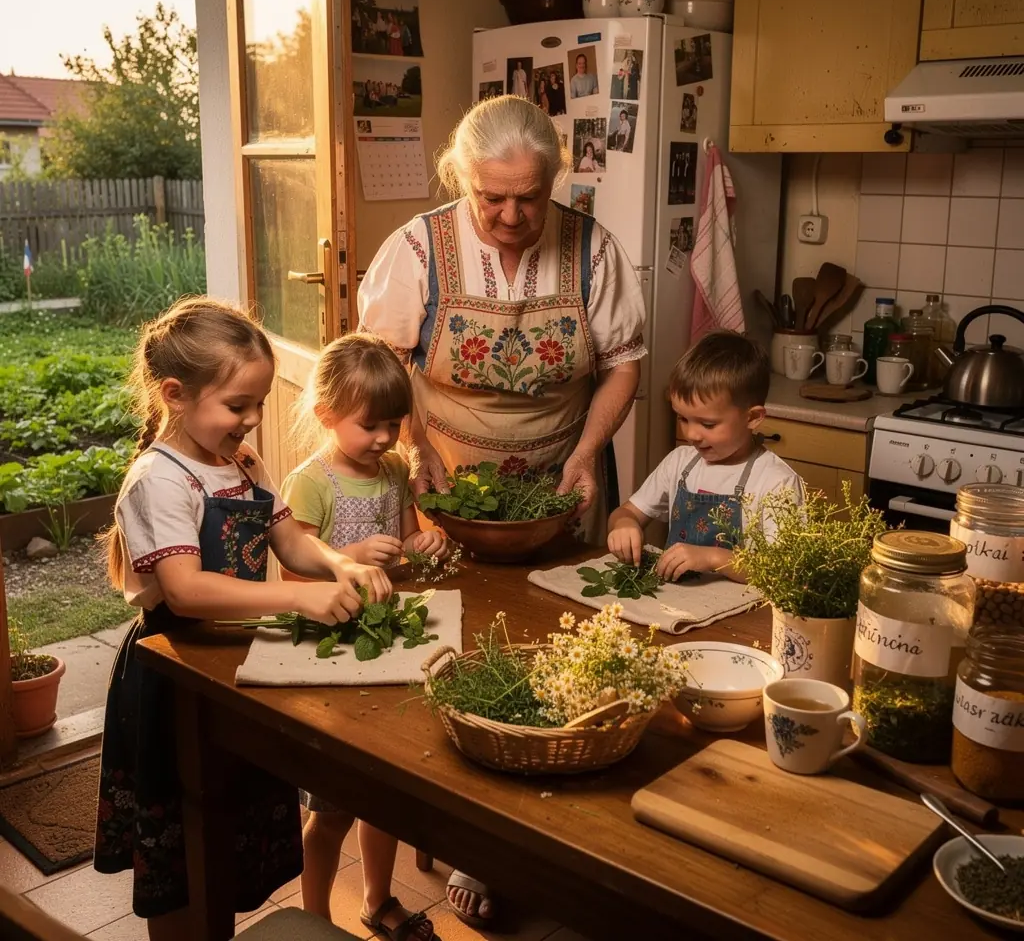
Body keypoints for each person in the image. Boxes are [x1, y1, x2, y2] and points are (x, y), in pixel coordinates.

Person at [357, 94, 646, 928]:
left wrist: (587, 454)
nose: (514, 215)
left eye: (531, 195)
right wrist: (419, 452)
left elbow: (623, 361)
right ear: (463, 181)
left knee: (562, 654)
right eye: (494, 198)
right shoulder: (417, 249)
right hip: (449, 483)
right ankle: (474, 850)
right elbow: (382, 361)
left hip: (560, 485)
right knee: (462, 656)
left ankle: (563, 844)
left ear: (555, 180)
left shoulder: (593, 248)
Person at [93, 297, 391, 941]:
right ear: (174, 394)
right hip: (174, 673)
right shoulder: (159, 479)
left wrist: (338, 565)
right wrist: (297, 598)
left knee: (223, 829)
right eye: (239, 406)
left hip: (237, 663)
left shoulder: (238, 462)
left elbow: (288, 540)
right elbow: (187, 589)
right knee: (181, 849)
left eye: (257, 404)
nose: (254, 420)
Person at [281, 334, 446, 941]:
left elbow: (404, 548)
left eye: (394, 423)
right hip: (331, 659)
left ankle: (378, 900)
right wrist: (347, 556)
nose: (384, 437)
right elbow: (292, 573)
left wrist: (422, 546)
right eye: (370, 425)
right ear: (327, 415)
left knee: (386, 795)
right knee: (331, 808)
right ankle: (315, 917)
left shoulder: (396, 469)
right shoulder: (310, 482)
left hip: (386, 646)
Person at [607, 331, 803, 580]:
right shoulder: (679, 462)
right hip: (675, 606)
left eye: (708, 424)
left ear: (752, 418)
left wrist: (712, 558)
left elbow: (786, 571)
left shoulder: (776, 482)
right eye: (683, 418)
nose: (692, 435)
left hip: (743, 614)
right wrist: (624, 525)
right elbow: (624, 513)